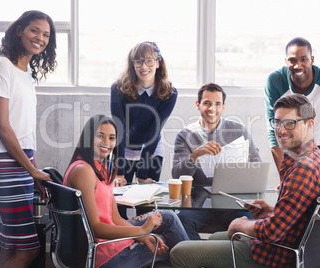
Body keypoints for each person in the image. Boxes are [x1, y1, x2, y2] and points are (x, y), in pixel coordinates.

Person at [170, 94, 320, 267]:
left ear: (309, 124)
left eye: (290, 123)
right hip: (286, 244)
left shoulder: (303, 170)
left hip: (275, 254)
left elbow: (272, 231)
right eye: (278, 122)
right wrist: (272, 210)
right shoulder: (319, 158)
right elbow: (303, 213)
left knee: (179, 252)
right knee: (214, 237)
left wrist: (241, 224)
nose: (281, 130)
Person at [0, 10, 57, 267]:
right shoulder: (2, 66)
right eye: (34, 30)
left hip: (20, 162)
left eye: (46, 34)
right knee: (29, 249)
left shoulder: (27, 74)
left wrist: (32, 169)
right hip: (2, 163)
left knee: (12, 245)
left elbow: (25, 132)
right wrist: (31, 170)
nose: (40, 38)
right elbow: (3, 127)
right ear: (19, 30)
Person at [63, 114, 189, 268]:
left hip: (109, 244)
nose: (106, 143)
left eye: (111, 138)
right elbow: (94, 228)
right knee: (177, 254)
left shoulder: (100, 168)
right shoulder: (83, 171)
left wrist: (143, 236)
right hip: (103, 254)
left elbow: (114, 218)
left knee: (168, 218)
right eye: (100, 136)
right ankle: (196, 259)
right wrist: (142, 230)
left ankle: (194, 258)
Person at [171, 82, 261, 240]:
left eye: (217, 104)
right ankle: (198, 258)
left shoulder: (239, 131)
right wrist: (195, 155)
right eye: (207, 103)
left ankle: (224, 257)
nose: (212, 109)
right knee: (179, 222)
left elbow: (256, 166)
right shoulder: (185, 134)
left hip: (233, 202)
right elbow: (177, 174)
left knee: (250, 223)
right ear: (198, 105)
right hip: (199, 204)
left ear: (223, 106)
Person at [264, 37, 320, 188]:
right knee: (293, 200)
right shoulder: (275, 81)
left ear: (312, 59)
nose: (298, 65)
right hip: (292, 147)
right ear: (286, 62)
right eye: (292, 60)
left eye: (303, 59)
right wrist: (283, 177)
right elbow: (273, 129)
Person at [110, 41, 177, 186]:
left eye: (149, 61)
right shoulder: (118, 88)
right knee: (119, 203)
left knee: (146, 204)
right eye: (138, 61)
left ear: (158, 63)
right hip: (124, 150)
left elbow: (153, 132)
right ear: (132, 64)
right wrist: (119, 172)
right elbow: (118, 129)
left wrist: (142, 173)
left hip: (151, 152)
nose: (144, 66)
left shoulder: (170, 93)